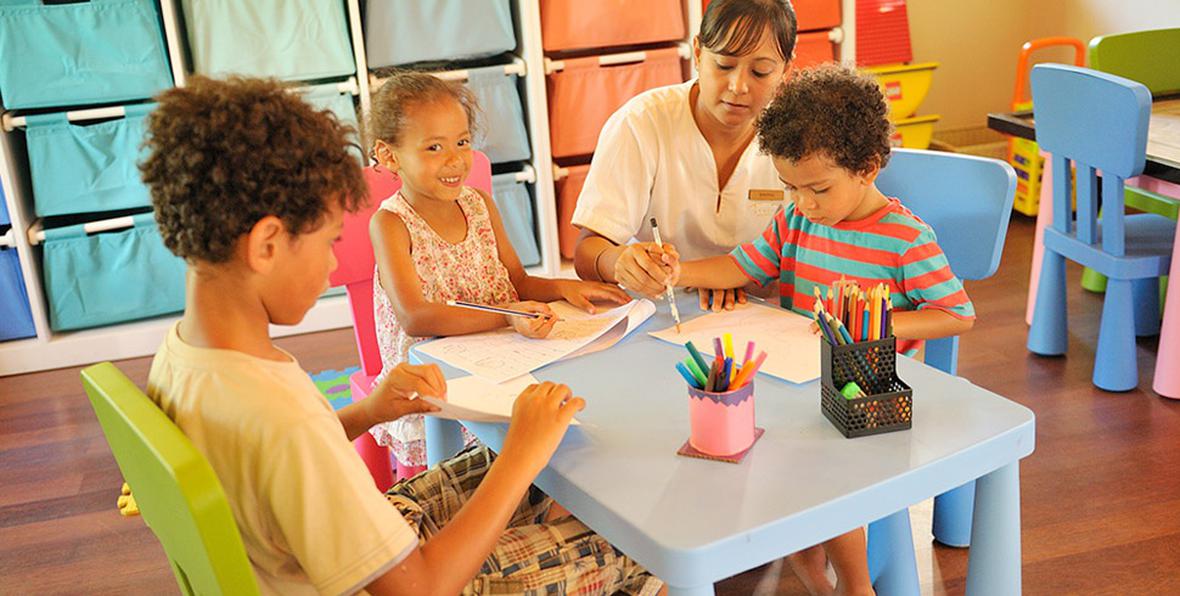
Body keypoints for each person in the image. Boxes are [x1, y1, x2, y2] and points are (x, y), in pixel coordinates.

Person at [139, 75, 662, 595]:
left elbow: (270, 461)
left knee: (551, 463)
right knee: (636, 539)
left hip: (332, 549)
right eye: (328, 242)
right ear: (267, 245)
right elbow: (420, 588)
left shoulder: (184, 357)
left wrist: (368, 412)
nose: (332, 267)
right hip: (404, 583)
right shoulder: (285, 416)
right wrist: (520, 456)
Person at [660, 64, 976, 596]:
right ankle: (809, 570)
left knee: (821, 475)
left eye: (818, 189)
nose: (804, 203)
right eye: (790, 188)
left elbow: (957, 314)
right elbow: (741, 266)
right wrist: (677, 271)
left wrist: (874, 323)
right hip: (798, 387)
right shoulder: (797, 221)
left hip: (865, 400)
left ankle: (855, 586)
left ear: (867, 169)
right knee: (744, 445)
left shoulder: (906, 239)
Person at [367, 71, 630, 475]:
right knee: (471, 472)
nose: (455, 159)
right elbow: (415, 317)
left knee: (572, 420)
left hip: (497, 361)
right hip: (433, 384)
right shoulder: (391, 224)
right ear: (389, 156)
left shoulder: (479, 204)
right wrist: (508, 316)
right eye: (434, 147)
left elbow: (517, 282)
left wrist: (564, 288)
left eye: (462, 142)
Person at [572, 0, 797, 312]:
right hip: (663, 307)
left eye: (761, 72)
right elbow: (587, 250)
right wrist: (620, 262)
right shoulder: (641, 123)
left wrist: (737, 277)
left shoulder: (797, 138)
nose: (738, 86)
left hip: (761, 310)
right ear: (698, 53)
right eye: (724, 65)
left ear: (785, 70)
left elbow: (818, 248)